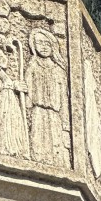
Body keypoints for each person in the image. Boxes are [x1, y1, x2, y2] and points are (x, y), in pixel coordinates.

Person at [25, 28, 71, 167]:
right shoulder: (32, 66)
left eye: (47, 43)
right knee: (38, 141)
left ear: (52, 45)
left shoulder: (58, 70)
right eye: (39, 43)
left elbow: (63, 97)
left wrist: (65, 123)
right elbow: (28, 90)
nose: (43, 46)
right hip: (38, 111)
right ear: (34, 45)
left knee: (56, 144)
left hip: (54, 114)